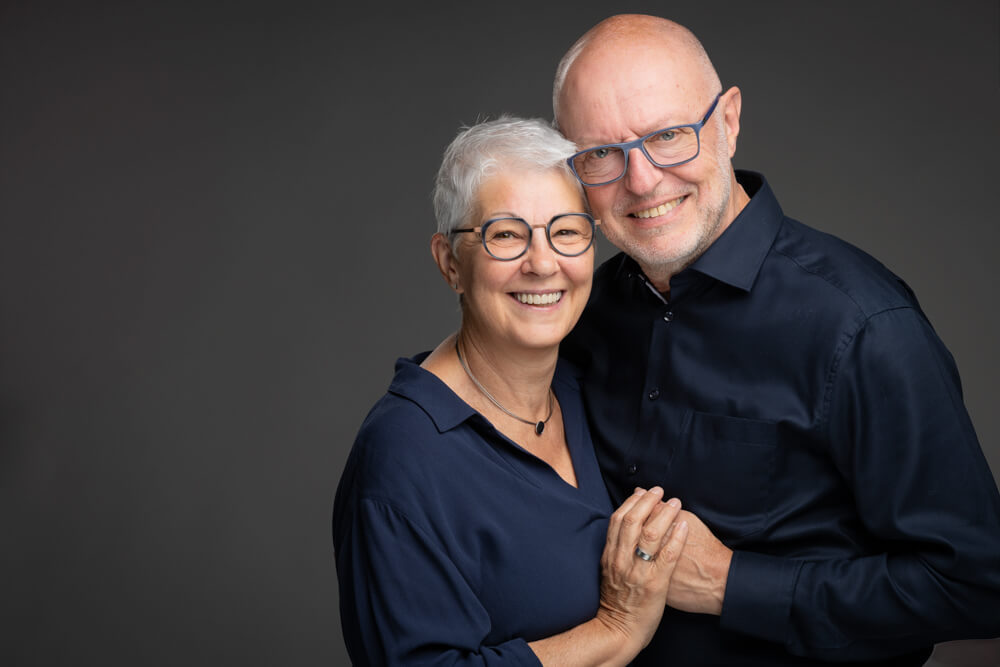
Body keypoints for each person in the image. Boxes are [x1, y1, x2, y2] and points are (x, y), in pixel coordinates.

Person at [553, 13, 1000, 666]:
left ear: (728, 121)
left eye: (671, 135)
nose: (642, 180)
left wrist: (732, 583)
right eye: (601, 153)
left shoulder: (863, 324)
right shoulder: (581, 316)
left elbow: (978, 584)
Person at [332, 116, 691, 666]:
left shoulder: (585, 385)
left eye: (567, 231)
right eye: (505, 234)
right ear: (450, 262)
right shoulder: (405, 457)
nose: (543, 263)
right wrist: (616, 630)